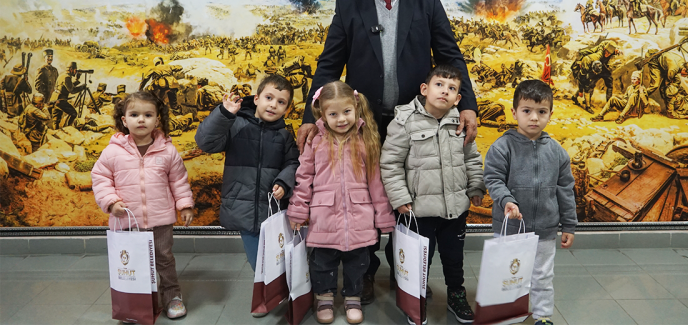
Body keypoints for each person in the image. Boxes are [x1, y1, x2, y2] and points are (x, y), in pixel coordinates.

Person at [296, 0, 477, 299]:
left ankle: (404, 272)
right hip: (363, 125)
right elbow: (329, 64)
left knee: (407, 197)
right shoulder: (349, 4)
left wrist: (468, 104)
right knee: (365, 197)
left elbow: (449, 55)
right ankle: (364, 271)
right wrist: (309, 118)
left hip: (415, 122)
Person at [380, 65, 485, 325]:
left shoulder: (460, 122)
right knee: (418, 260)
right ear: (425, 89)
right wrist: (399, 198)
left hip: (454, 208)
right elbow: (390, 164)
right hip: (418, 210)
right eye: (439, 85)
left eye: (452, 88)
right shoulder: (404, 121)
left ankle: (456, 294)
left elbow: (471, 159)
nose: (445, 91)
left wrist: (476, 187)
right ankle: (416, 299)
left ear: (458, 98)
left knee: (454, 257)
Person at [287, 81, 396, 324]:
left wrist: (384, 215)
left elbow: (376, 182)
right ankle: (324, 298)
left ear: (356, 108)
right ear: (322, 114)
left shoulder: (366, 139)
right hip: (324, 216)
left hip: (360, 215)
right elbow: (304, 178)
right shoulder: (315, 141)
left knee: (358, 262)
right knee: (322, 262)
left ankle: (353, 298)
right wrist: (298, 210)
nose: (341, 119)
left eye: (346, 112)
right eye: (333, 114)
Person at [194, 74, 299, 316]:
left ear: (287, 108)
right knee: (257, 260)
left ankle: (289, 292)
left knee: (279, 256)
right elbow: (205, 142)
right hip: (243, 208)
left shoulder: (284, 135)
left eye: (281, 102)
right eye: (269, 98)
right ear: (257, 98)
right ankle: (266, 296)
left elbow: (293, 163)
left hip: (273, 210)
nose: (273, 105)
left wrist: (284, 182)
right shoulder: (236, 125)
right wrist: (224, 114)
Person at [91, 91, 195, 320]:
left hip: (161, 220)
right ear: (124, 120)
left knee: (164, 259)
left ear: (157, 120)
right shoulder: (113, 151)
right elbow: (100, 178)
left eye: (148, 115)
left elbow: (178, 180)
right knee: (134, 262)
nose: (141, 120)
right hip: (128, 220)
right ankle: (136, 303)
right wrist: (111, 202)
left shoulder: (167, 150)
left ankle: (172, 297)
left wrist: (185, 205)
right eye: (134, 115)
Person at [484, 80, 577, 325]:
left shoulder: (557, 152)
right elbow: (493, 179)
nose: (534, 117)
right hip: (511, 227)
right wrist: (507, 200)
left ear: (550, 114)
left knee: (542, 275)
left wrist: (569, 225)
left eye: (541, 111)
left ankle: (542, 316)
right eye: (527, 110)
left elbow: (565, 189)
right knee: (508, 273)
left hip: (545, 229)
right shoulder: (502, 147)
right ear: (514, 112)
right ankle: (505, 314)